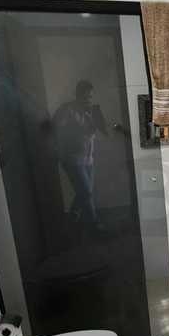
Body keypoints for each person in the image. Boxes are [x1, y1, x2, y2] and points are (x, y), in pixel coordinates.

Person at [53, 80, 108, 229]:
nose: (88, 100)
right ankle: (94, 223)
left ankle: (72, 217)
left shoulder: (91, 111)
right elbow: (56, 129)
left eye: (90, 97)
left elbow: (100, 130)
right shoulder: (67, 109)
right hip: (72, 159)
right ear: (78, 95)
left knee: (84, 192)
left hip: (88, 159)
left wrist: (96, 121)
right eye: (85, 96)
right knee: (86, 192)